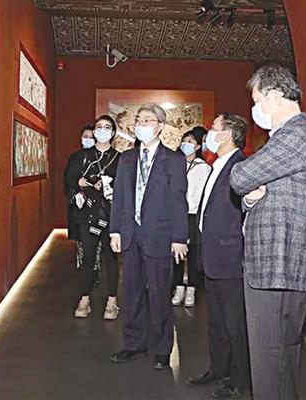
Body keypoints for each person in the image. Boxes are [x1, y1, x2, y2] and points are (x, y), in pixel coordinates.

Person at [230, 65, 306, 400]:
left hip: (276, 266)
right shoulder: (298, 136)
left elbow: (239, 176)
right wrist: (251, 199)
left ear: (274, 96)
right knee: (282, 358)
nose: (255, 109)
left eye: (257, 100)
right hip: (285, 267)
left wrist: (248, 189)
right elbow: (258, 191)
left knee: (269, 361)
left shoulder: (294, 134)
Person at [109, 104, 188, 370]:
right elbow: (119, 197)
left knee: (159, 294)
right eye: (139, 119)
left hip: (160, 235)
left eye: (148, 120)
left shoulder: (173, 159)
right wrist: (115, 230)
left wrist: (179, 237)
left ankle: (163, 348)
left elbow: (179, 200)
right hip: (131, 234)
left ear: (160, 126)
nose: (141, 124)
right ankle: (134, 344)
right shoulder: (127, 158)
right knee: (131, 292)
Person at [188, 113, 251, 399]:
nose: (208, 134)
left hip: (230, 257)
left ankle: (239, 379)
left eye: (213, 128)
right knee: (215, 320)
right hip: (211, 255)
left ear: (227, 135)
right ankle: (218, 368)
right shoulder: (216, 165)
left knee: (234, 322)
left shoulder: (241, 167)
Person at [72, 116, 121, 320]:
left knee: (111, 258)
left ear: (113, 132)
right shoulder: (82, 157)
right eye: (99, 127)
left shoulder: (120, 158)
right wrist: (79, 184)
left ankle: (112, 300)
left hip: (111, 215)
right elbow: (69, 181)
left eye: (107, 127)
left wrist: (111, 187)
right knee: (88, 257)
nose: (102, 130)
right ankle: (84, 298)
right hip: (88, 214)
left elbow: (126, 187)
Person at [172, 130, 211, 307]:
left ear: (197, 146)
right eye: (184, 140)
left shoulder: (203, 167)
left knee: (194, 252)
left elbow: (201, 194)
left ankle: (192, 289)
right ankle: (178, 286)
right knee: (176, 252)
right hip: (176, 214)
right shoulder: (174, 164)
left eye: (190, 141)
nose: (186, 144)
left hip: (193, 215)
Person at [63, 125, 95, 241]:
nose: (88, 139)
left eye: (91, 137)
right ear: (81, 138)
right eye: (86, 136)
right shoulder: (75, 157)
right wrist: (77, 183)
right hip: (79, 204)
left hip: (96, 206)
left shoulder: (99, 157)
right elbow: (67, 179)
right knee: (81, 239)